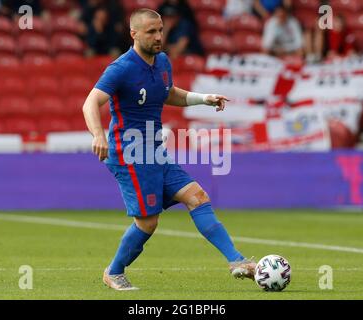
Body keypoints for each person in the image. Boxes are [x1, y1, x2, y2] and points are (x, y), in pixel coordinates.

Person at [82, 8, 256, 290]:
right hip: (130, 154)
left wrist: (204, 98)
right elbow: (90, 102)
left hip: (155, 150)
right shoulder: (121, 68)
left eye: (160, 30)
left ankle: (237, 261)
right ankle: (114, 272)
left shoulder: (162, 61)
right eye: (151, 32)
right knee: (148, 223)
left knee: (197, 197)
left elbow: (168, 92)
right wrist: (98, 134)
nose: (158, 36)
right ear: (134, 34)